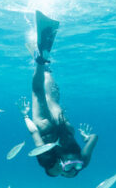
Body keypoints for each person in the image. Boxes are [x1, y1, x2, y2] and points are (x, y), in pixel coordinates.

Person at [23, 11, 97, 177]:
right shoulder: (52, 162)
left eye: (67, 169)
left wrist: (86, 137)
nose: (73, 166)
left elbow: (94, 137)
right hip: (48, 127)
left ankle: (44, 63)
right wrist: (25, 116)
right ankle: (41, 62)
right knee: (41, 93)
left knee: (52, 96)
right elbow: (34, 134)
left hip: (60, 128)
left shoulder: (57, 161)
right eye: (75, 167)